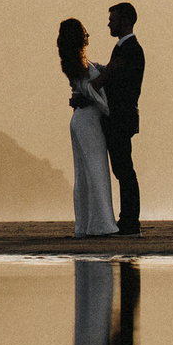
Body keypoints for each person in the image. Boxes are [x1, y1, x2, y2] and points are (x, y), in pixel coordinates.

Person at [58, 18, 118, 237]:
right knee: (96, 170)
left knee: (85, 173)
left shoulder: (77, 62)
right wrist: (110, 71)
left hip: (82, 119)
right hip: (88, 120)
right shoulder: (76, 64)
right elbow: (91, 88)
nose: (88, 35)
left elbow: (92, 77)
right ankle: (101, 225)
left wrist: (106, 69)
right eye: (84, 32)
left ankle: (86, 225)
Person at [101, 3, 146, 235]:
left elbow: (125, 88)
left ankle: (129, 220)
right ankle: (127, 218)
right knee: (123, 169)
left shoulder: (131, 50)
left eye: (113, 19)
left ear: (125, 21)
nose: (109, 23)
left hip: (121, 117)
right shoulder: (125, 48)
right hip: (121, 117)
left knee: (124, 170)